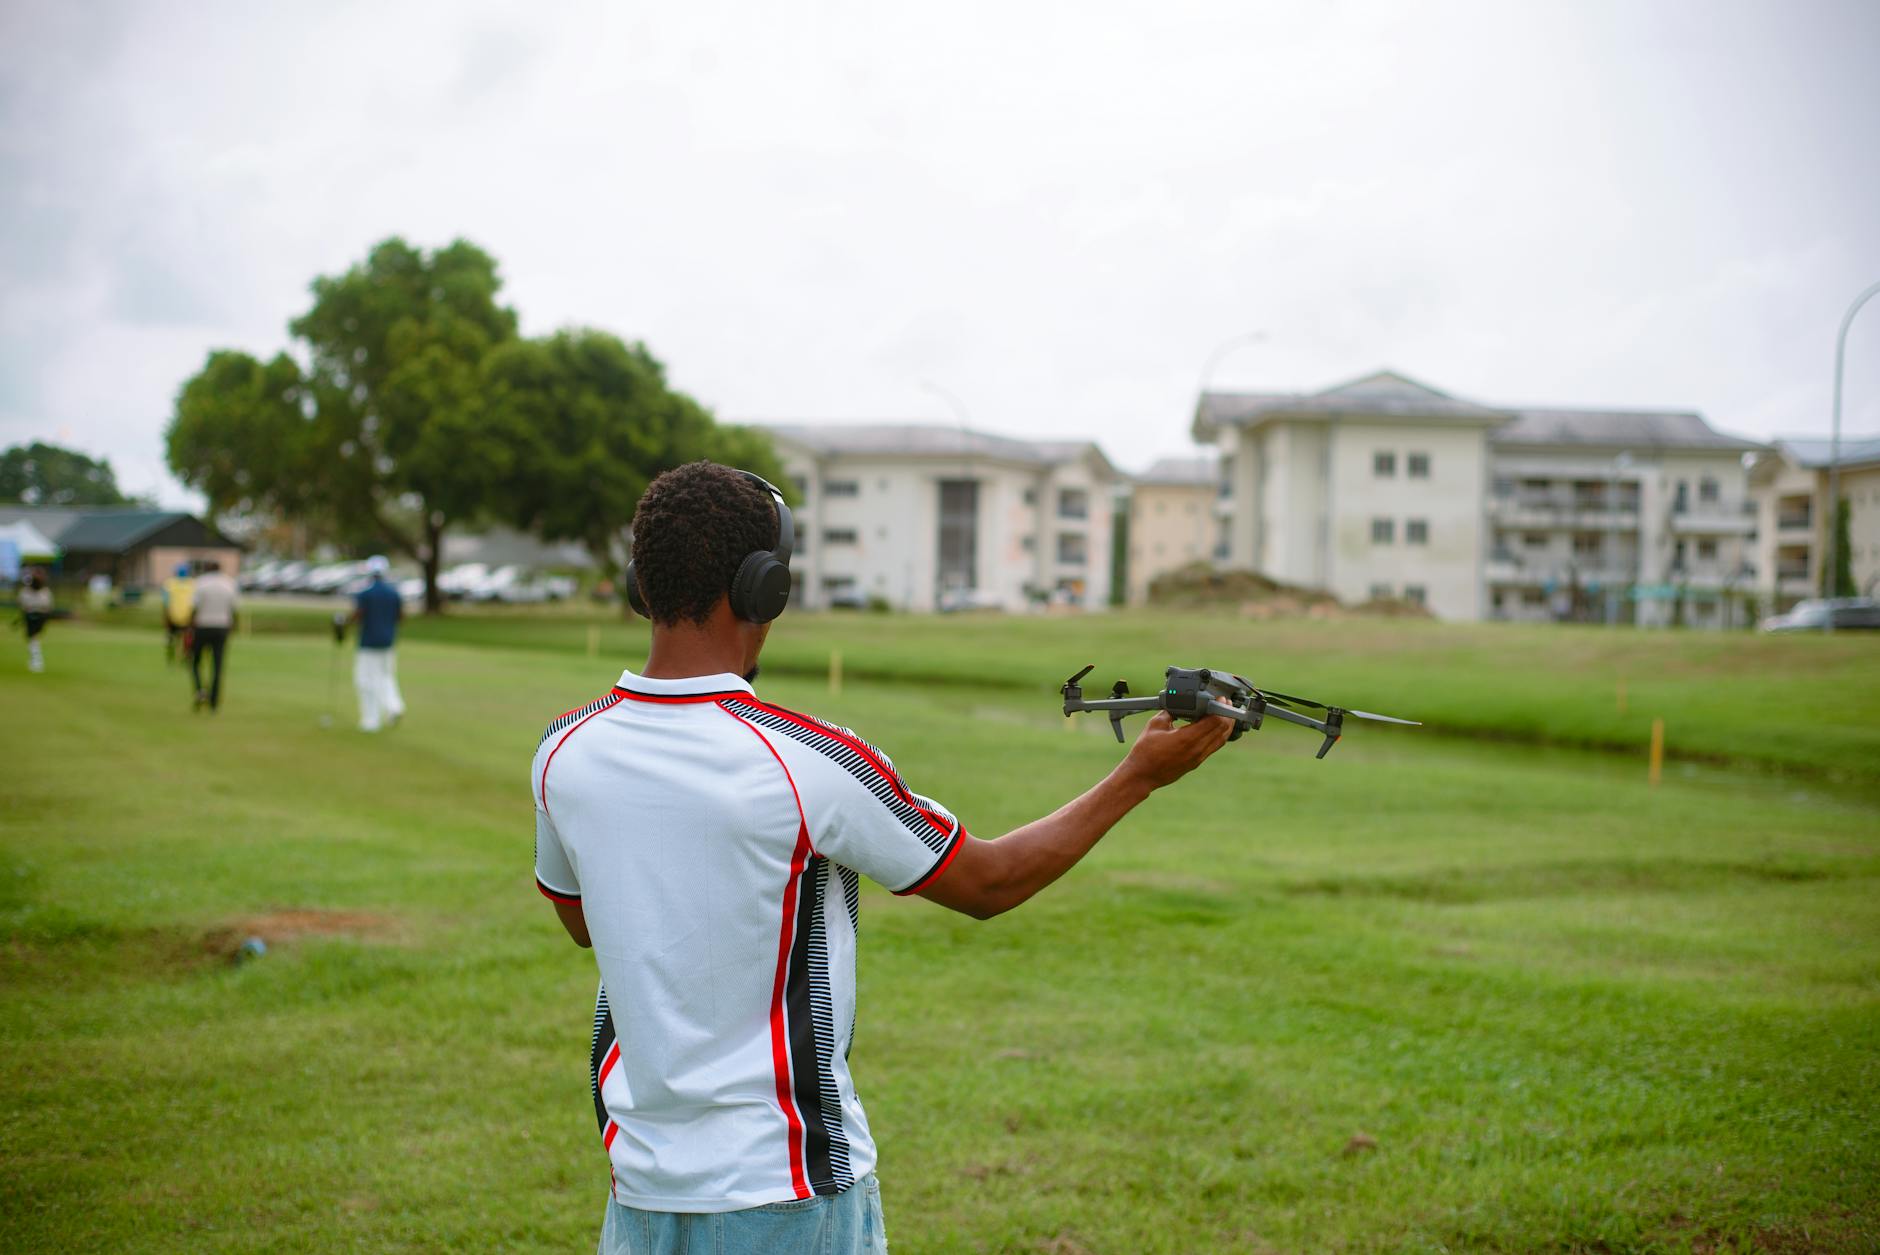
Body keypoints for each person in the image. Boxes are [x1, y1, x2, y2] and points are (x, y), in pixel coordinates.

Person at [531, 462, 1235, 1254]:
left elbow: (581, 922)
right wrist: (1137, 777)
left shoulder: (565, 750)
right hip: (787, 1193)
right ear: (764, 589)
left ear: (640, 585)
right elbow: (990, 881)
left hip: (640, 1195)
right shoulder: (812, 760)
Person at [349, 555, 405, 732]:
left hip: (368, 643)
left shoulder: (365, 593)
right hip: (388, 642)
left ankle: (370, 720)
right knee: (386, 676)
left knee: (365, 680)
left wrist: (344, 623)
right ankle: (394, 706)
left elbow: (358, 615)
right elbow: (401, 617)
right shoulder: (394, 593)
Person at [189, 558, 239, 711]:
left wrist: (190, 625)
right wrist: (234, 626)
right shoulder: (229, 583)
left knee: (195, 661)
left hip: (203, 626)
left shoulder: (200, 582)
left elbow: (194, 607)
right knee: (217, 665)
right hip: (222, 626)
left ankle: (200, 690)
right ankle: (214, 701)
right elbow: (234, 609)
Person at [18, 567, 53, 673]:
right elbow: (23, 605)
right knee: (33, 638)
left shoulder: (45, 592)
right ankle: (35, 659)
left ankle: (36, 660)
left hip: (39, 617)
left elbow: (47, 606)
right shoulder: (26, 591)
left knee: (33, 638)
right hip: (31, 616)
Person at [161, 563, 195, 664]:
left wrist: (165, 617)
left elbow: (166, 603)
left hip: (172, 616)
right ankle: (186, 656)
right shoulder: (192, 583)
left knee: (172, 638)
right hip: (188, 617)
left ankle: (171, 656)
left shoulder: (169, 583)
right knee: (187, 638)